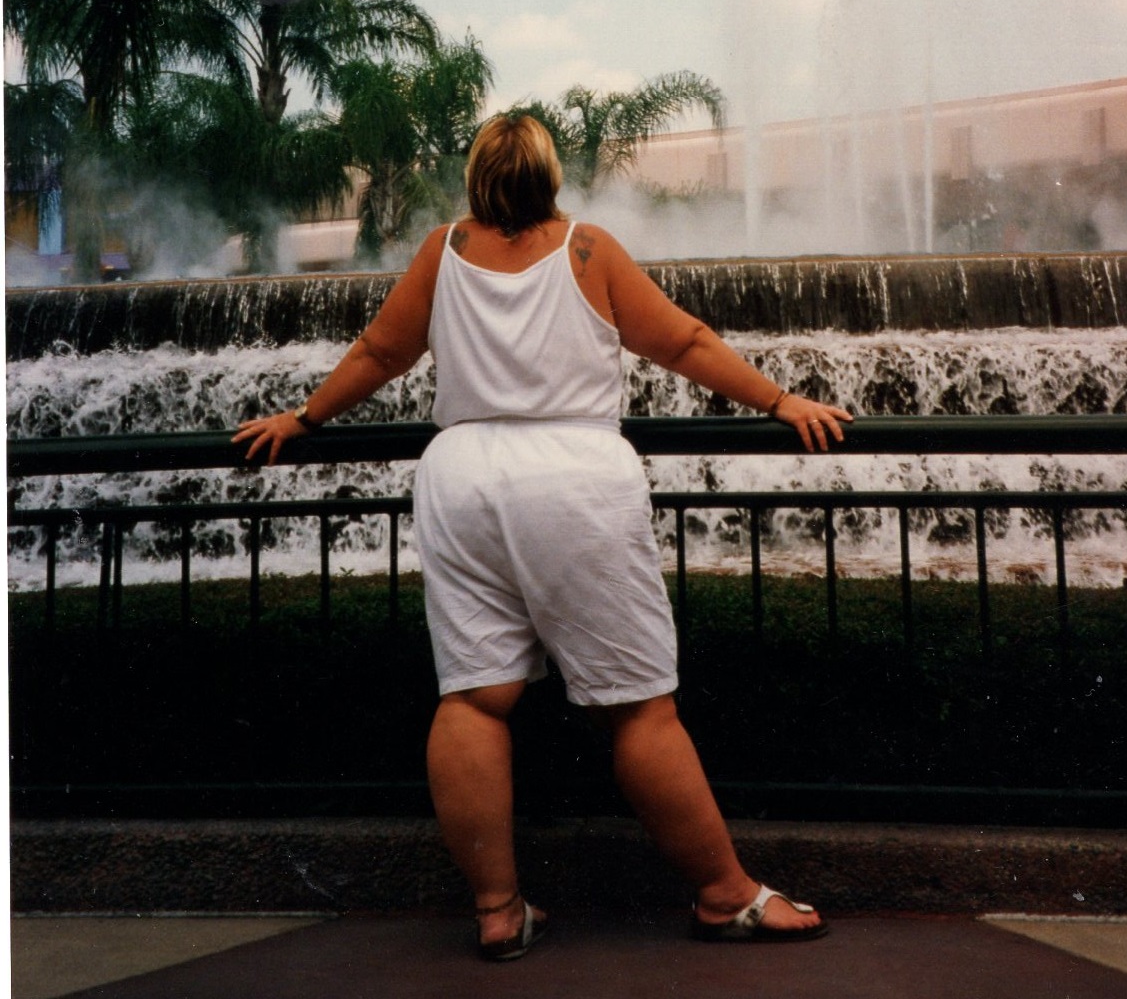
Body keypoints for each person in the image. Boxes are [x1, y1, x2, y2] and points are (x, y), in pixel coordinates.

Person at [234, 114, 851, 961]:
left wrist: (302, 417)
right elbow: (682, 340)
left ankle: (498, 908)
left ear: (477, 174)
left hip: (462, 479)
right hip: (574, 478)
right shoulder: (588, 251)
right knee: (637, 704)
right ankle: (723, 895)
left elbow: (381, 351)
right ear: (549, 176)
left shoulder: (441, 249)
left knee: (476, 696)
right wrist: (781, 401)